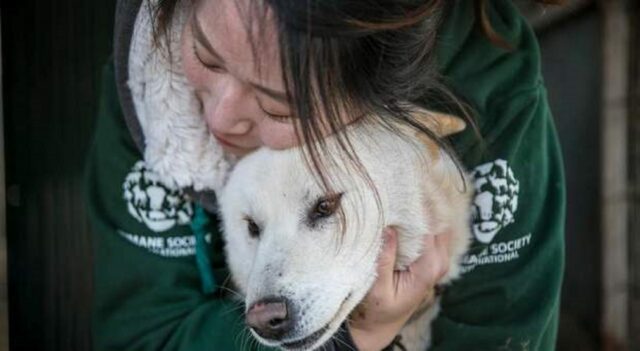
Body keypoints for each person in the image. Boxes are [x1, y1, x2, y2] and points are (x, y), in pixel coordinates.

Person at [85, 0, 565, 349]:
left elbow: (503, 330)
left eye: (277, 104)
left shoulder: (489, 85)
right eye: (208, 56)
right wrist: (358, 336)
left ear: (376, 102)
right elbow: (140, 336)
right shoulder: (149, 80)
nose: (219, 119)